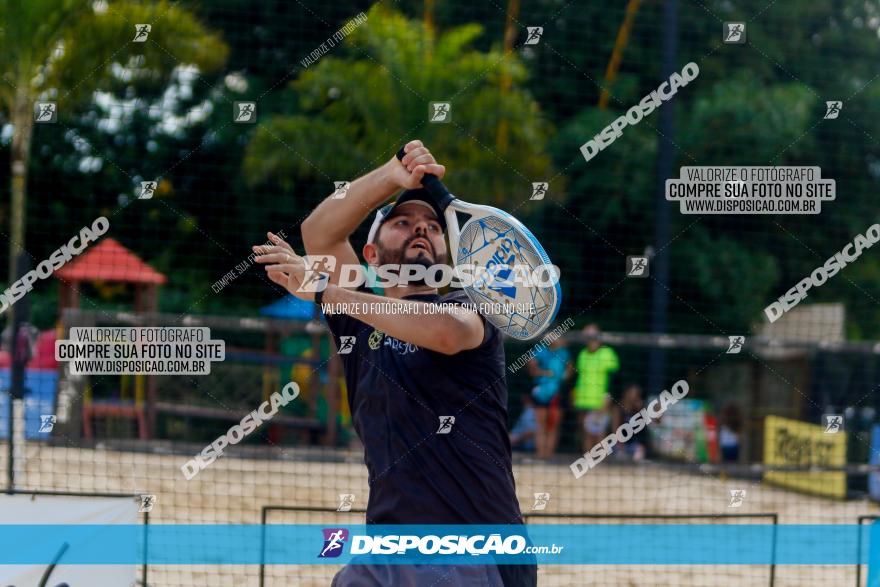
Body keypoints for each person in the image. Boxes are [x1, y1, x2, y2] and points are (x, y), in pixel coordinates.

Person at [253, 140, 536, 587]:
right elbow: (319, 234)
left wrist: (326, 291)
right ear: (370, 255)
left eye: (433, 226)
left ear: (446, 255)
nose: (421, 229)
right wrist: (392, 175)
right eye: (402, 222)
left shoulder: (470, 305)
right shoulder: (360, 318)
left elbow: (447, 331)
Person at [573, 324, 620, 453]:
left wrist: (608, 397)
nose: (591, 340)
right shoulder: (582, 354)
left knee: (600, 432)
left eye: (593, 337)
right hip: (583, 400)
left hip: (600, 401)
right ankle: (587, 463)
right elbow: (579, 379)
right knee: (585, 432)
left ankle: (601, 463)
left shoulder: (607, 353)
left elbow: (615, 379)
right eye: (588, 337)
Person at [526, 336, 572, 458]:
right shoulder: (539, 350)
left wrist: (561, 377)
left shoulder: (564, 352)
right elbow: (531, 370)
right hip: (540, 393)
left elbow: (569, 371)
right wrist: (545, 373)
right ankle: (540, 455)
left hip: (557, 394)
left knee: (553, 426)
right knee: (540, 425)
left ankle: (548, 456)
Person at [613, 384, 648, 461]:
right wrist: (620, 445)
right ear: (627, 394)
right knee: (619, 456)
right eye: (632, 393)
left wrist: (641, 411)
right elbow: (615, 429)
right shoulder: (618, 408)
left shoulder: (640, 409)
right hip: (619, 443)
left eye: (637, 394)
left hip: (633, 444)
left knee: (640, 452)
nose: (634, 396)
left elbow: (645, 428)